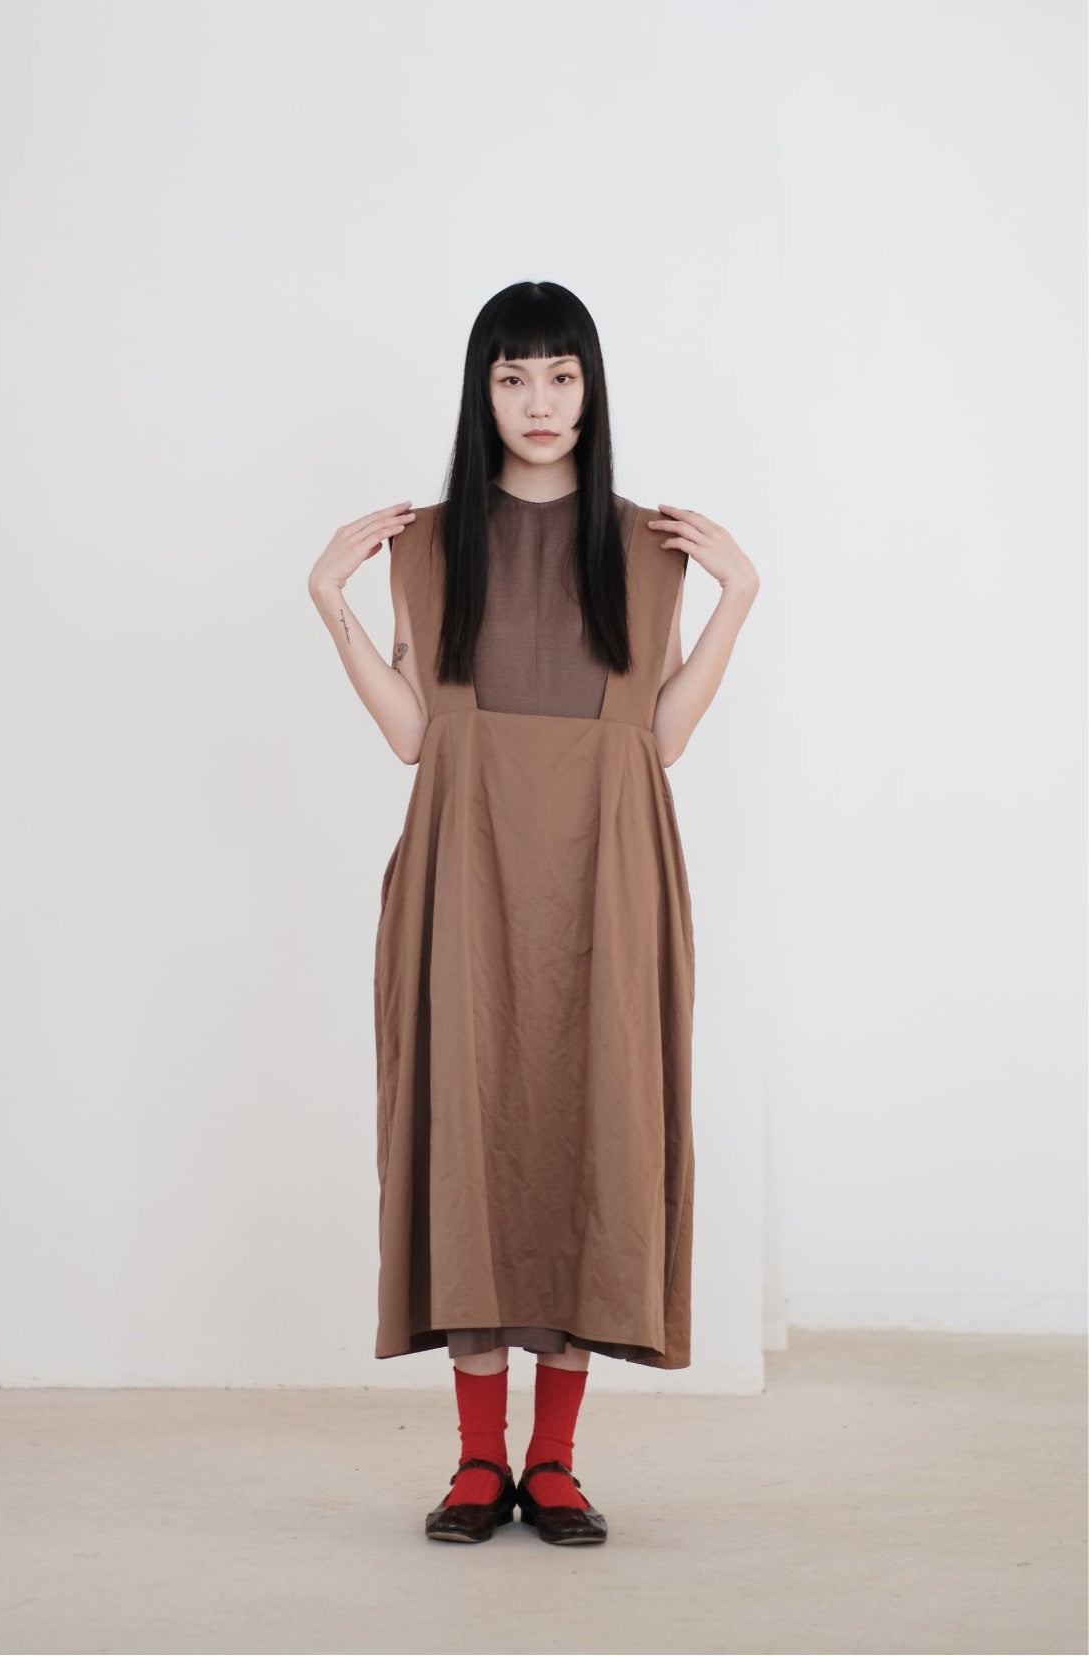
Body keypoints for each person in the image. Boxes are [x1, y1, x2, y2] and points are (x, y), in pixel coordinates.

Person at [307, 281, 760, 1547]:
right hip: (466, 868)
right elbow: (414, 735)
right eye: (514, 378)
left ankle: (552, 1463)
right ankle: (475, 1462)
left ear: (591, 388)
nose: (540, 401)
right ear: (483, 392)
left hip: (606, 873)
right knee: (470, 1134)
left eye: (561, 375)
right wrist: (331, 601)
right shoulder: (428, 546)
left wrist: (739, 595)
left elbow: (660, 737)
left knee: (586, 1135)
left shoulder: (650, 548)